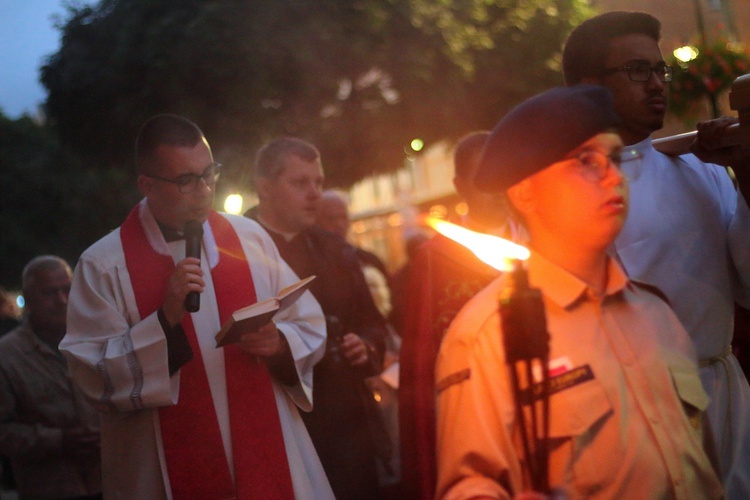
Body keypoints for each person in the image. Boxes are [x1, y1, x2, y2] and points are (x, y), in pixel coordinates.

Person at [435, 85, 723, 498]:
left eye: (615, 158)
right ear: (525, 192)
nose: (612, 176)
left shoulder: (654, 311)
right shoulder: (486, 337)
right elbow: (471, 486)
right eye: (586, 161)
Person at [60, 115, 333, 499]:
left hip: (264, 446)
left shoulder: (248, 238)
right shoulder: (104, 264)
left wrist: (279, 342)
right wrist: (165, 319)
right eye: (187, 181)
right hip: (165, 464)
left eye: (210, 174)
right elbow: (91, 375)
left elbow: (308, 322)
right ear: (147, 185)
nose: (204, 190)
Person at [562, 11, 750, 497]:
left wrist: (748, 180)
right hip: (637, 411)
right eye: (637, 71)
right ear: (590, 87)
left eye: (659, 70)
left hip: (723, 389)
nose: (656, 84)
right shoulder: (564, 191)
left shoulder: (702, 167)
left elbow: (748, 280)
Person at [245, 137, 388, 500]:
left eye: (318, 183)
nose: (314, 194)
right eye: (300, 183)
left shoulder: (336, 250)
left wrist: (366, 344)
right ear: (265, 188)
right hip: (273, 418)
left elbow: (372, 322)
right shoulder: (233, 248)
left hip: (345, 425)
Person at [398, 131, 517, 500]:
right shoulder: (436, 259)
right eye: (483, 177)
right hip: (471, 414)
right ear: (460, 185)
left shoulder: (538, 242)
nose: (496, 188)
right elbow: (420, 362)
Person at [0, 255, 102, 499]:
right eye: (49, 293)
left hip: (111, 481)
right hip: (50, 488)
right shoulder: (7, 356)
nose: (61, 300)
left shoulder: (100, 338)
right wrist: (59, 440)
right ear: (29, 298)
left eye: (67, 289)